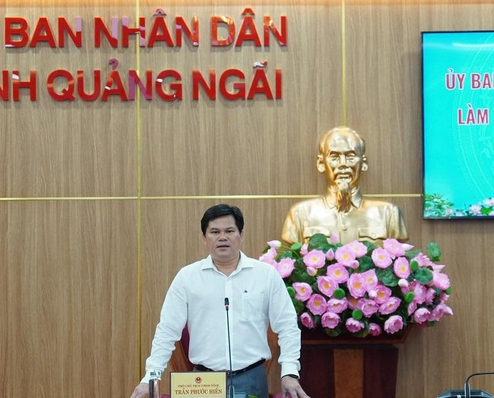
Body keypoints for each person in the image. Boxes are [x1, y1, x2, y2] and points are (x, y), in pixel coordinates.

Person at [129, 204, 309, 398]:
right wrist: (152, 375)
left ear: (241, 234)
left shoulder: (265, 275)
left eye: (229, 231)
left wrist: (290, 372)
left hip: (251, 378)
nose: (222, 237)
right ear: (204, 238)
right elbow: (167, 330)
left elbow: (287, 326)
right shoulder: (187, 277)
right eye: (214, 232)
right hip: (202, 383)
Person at [281, 126, 408, 244]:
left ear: (363, 163)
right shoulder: (300, 213)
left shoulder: (389, 213)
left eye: (350, 157)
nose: (343, 164)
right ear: (321, 163)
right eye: (335, 157)